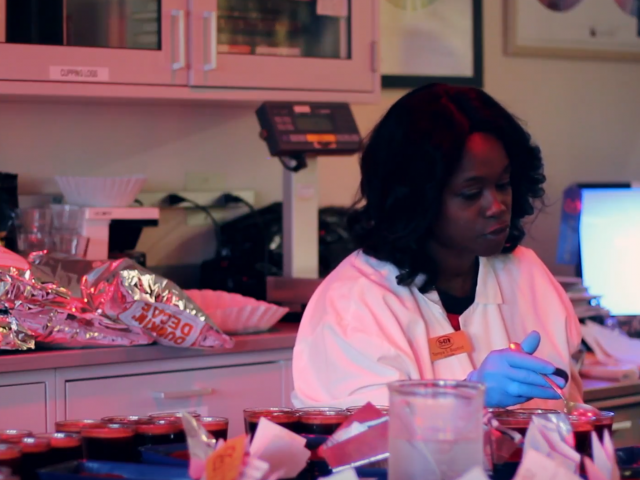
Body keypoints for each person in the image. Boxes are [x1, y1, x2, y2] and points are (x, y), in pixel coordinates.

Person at [291, 84, 583, 410]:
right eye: (471, 193)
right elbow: (360, 446)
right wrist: (469, 397)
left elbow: (571, 412)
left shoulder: (527, 274)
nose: (497, 205)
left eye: (503, 184)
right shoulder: (354, 304)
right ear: (416, 199)